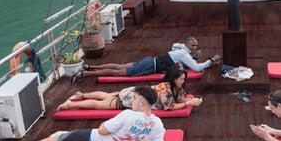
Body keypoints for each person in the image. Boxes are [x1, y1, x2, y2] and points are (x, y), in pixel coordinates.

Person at [0, 86, 165, 141]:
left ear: (142, 103)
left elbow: (102, 130)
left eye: (134, 99)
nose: (131, 101)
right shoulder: (157, 124)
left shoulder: (128, 115)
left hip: (88, 140)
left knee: (57, 139)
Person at [72, 36, 221, 83]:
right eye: (193, 45)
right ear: (188, 44)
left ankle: (91, 67)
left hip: (150, 60)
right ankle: (86, 74)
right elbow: (197, 68)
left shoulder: (180, 48)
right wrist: (212, 60)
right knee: (118, 72)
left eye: (196, 45)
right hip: (149, 67)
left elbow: (176, 48)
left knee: (119, 66)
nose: (195, 47)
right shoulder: (184, 54)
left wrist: (193, 56)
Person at [57, 65, 203, 112]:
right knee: (99, 105)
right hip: (132, 98)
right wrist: (188, 102)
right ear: (173, 78)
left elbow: (179, 98)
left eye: (184, 78)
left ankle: (81, 95)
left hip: (136, 91)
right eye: (181, 79)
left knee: (107, 95)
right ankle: (71, 104)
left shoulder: (177, 87)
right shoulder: (166, 91)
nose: (183, 81)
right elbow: (169, 107)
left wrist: (187, 100)